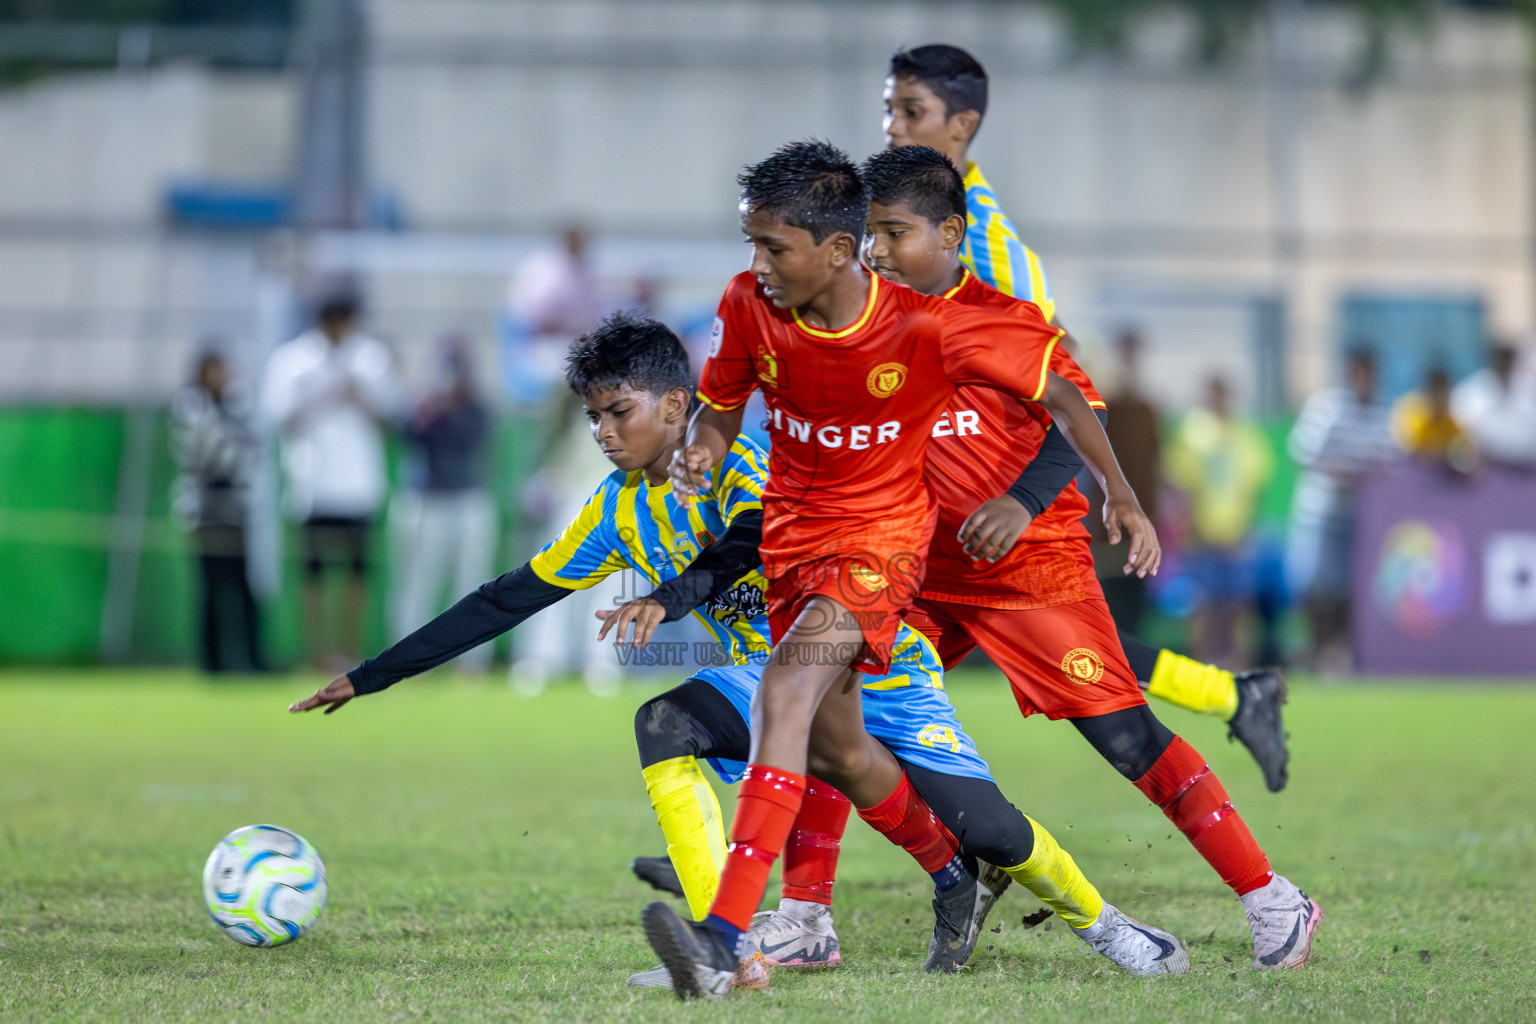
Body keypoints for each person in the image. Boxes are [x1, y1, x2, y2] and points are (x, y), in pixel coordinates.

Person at [289, 311, 1187, 991]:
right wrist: (367, 678)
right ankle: (732, 947)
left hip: (875, 656)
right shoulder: (613, 511)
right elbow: (504, 599)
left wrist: (670, 595)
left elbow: (751, 542)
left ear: (679, 405)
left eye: (619, 412)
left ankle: (1105, 924)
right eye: (594, 417)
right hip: (766, 673)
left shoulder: (752, 458)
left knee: (988, 828)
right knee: (663, 720)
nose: (603, 433)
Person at [637, 140, 1177, 998]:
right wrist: (701, 447)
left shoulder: (930, 322)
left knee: (785, 690)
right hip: (794, 554)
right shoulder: (748, 304)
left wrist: (1123, 495)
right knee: (841, 751)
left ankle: (722, 936)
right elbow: (723, 405)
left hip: (880, 556)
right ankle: (956, 876)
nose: (757, 265)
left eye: (773, 247)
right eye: (752, 245)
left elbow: (1065, 396)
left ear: (839, 251)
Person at [857, 144, 1318, 967]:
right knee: (832, 710)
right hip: (918, 573)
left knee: (1125, 740)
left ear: (952, 234)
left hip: (1027, 568)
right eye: (870, 235)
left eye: (894, 233)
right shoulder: (862, 326)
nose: (878, 251)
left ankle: (1272, 898)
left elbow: (1078, 412)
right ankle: (817, 914)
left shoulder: (1004, 319)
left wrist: (1044, 501)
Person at [881, 42, 1289, 789]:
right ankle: (1233, 695)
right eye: (888, 109)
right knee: (851, 677)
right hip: (945, 497)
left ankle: (761, 864)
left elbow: (1059, 382)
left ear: (962, 125)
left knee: (852, 675)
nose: (892, 127)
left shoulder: (987, 250)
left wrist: (1050, 492)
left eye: (911, 112)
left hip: (999, 495)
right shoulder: (907, 224)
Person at [259, 293, 403, 671]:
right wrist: (325, 396)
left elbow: (392, 420)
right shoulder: (293, 360)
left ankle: (350, 650)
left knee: (357, 574)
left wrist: (360, 396)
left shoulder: (372, 358)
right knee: (314, 576)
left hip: (359, 487)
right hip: (313, 485)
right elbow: (279, 419)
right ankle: (316, 653)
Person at [1286, 346, 1396, 672]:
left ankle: (1338, 652)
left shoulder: (1384, 412)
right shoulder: (1328, 406)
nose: (1365, 379)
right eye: (1359, 371)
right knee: (1316, 587)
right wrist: (1342, 472)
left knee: (1352, 587)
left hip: (1361, 517)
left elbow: (1392, 461)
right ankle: (1316, 649)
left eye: (1370, 372)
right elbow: (1302, 451)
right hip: (1321, 513)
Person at [390, 335, 496, 672]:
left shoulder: (477, 407)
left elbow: (473, 437)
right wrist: (429, 407)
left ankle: (471, 662)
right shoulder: (422, 406)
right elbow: (407, 437)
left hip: (468, 500)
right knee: (419, 581)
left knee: (473, 582)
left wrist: (451, 404)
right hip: (427, 500)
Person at [1165, 375, 1275, 664]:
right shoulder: (1193, 433)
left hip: (1235, 535)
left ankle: (1237, 664)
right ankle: (1201, 663)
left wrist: (1247, 528)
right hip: (1202, 535)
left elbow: (1256, 487)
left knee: (1237, 604)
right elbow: (1179, 482)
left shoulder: (1245, 436)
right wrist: (1189, 526)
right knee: (1204, 605)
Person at [171, 350, 265, 673]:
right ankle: (211, 661)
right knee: (210, 587)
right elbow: (206, 452)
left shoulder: (238, 405)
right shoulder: (191, 407)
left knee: (243, 585)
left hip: (236, 508)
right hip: (207, 507)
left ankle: (252, 658)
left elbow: (252, 451)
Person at [1452, 339, 1536, 468]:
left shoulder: (1529, 388)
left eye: (1507, 360)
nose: (1504, 365)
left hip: (1527, 471)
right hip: (1488, 472)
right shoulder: (1470, 393)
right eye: (1501, 360)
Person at [1391, 366, 1473, 468]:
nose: (1441, 399)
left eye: (1445, 393)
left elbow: (1464, 453)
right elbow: (1407, 451)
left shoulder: (1453, 421)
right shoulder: (1410, 414)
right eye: (1437, 393)